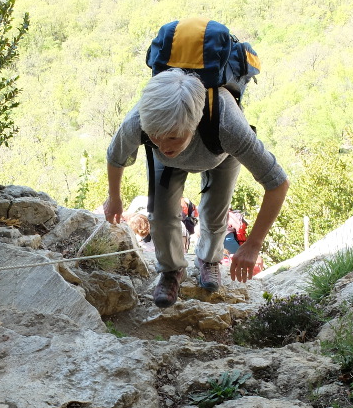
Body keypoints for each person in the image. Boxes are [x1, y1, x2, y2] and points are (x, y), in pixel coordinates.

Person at [103, 68, 288, 308]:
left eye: (173, 137)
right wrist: (114, 197)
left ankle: (209, 260)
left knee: (214, 212)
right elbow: (115, 157)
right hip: (167, 164)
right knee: (160, 214)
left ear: (195, 124)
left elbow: (278, 184)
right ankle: (171, 271)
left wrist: (252, 245)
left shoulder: (227, 126)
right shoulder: (139, 122)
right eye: (154, 136)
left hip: (220, 155)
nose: (162, 144)